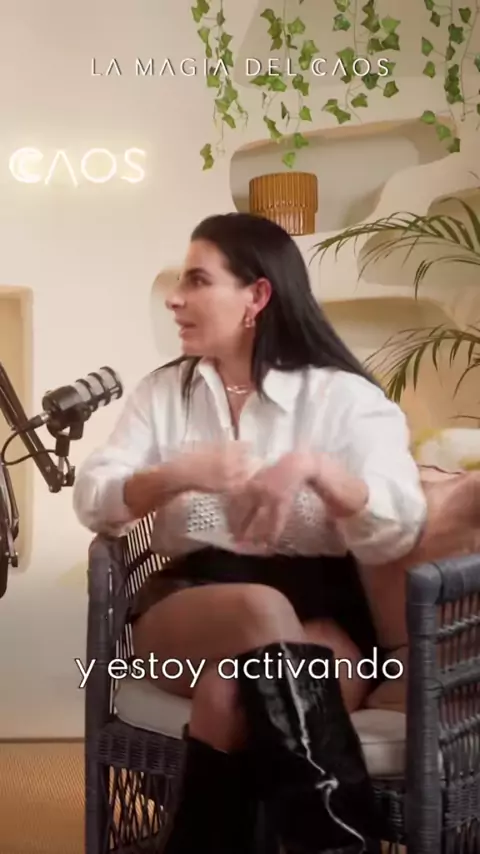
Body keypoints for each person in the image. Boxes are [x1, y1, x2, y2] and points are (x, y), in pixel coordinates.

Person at [73, 212, 427, 854]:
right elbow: (95, 499)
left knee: (228, 696)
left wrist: (315, 469)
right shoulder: (164, 394)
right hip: (188, 610)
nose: (175, 298)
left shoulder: (344, 398)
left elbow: (397, 522)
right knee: (261, 610)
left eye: (197, 280)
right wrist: (177, 474)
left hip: (327, 619)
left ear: (256, 296)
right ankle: (340, 841)